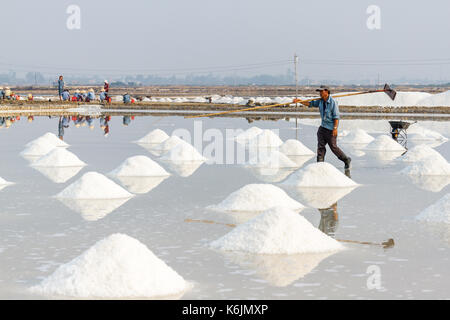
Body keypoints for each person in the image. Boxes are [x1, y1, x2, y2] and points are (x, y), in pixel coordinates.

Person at [296, 85, 351, 169]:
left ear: (326, 92)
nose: (320, 93)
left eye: (321, 91)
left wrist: (335, 129)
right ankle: (320, 164)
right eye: (319, 92)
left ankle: (346, 160)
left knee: (333, 147)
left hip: (331, 129)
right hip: (322, 128)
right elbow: (310, 104)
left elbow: (336, 117)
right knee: (320, 146)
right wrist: (299, 101)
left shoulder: (333, 102)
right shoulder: (320, 101)